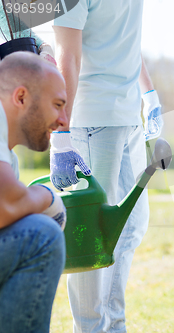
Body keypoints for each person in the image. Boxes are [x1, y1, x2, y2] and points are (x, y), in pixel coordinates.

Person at [50, 1, 162, 331]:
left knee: (130, 227)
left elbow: (124, 41)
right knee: (92, 237)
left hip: (127, 117)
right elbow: (66, 56)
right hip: (91, 118)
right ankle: (90, 328)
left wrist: (150, 92)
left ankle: (113, 325)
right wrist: (61, 134)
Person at [0, 52, 67, 332]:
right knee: (40, 235)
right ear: (21, 97)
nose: (64, 119)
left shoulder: (9, 158)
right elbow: (4, 206)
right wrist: (48, 196)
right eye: (57, 105)